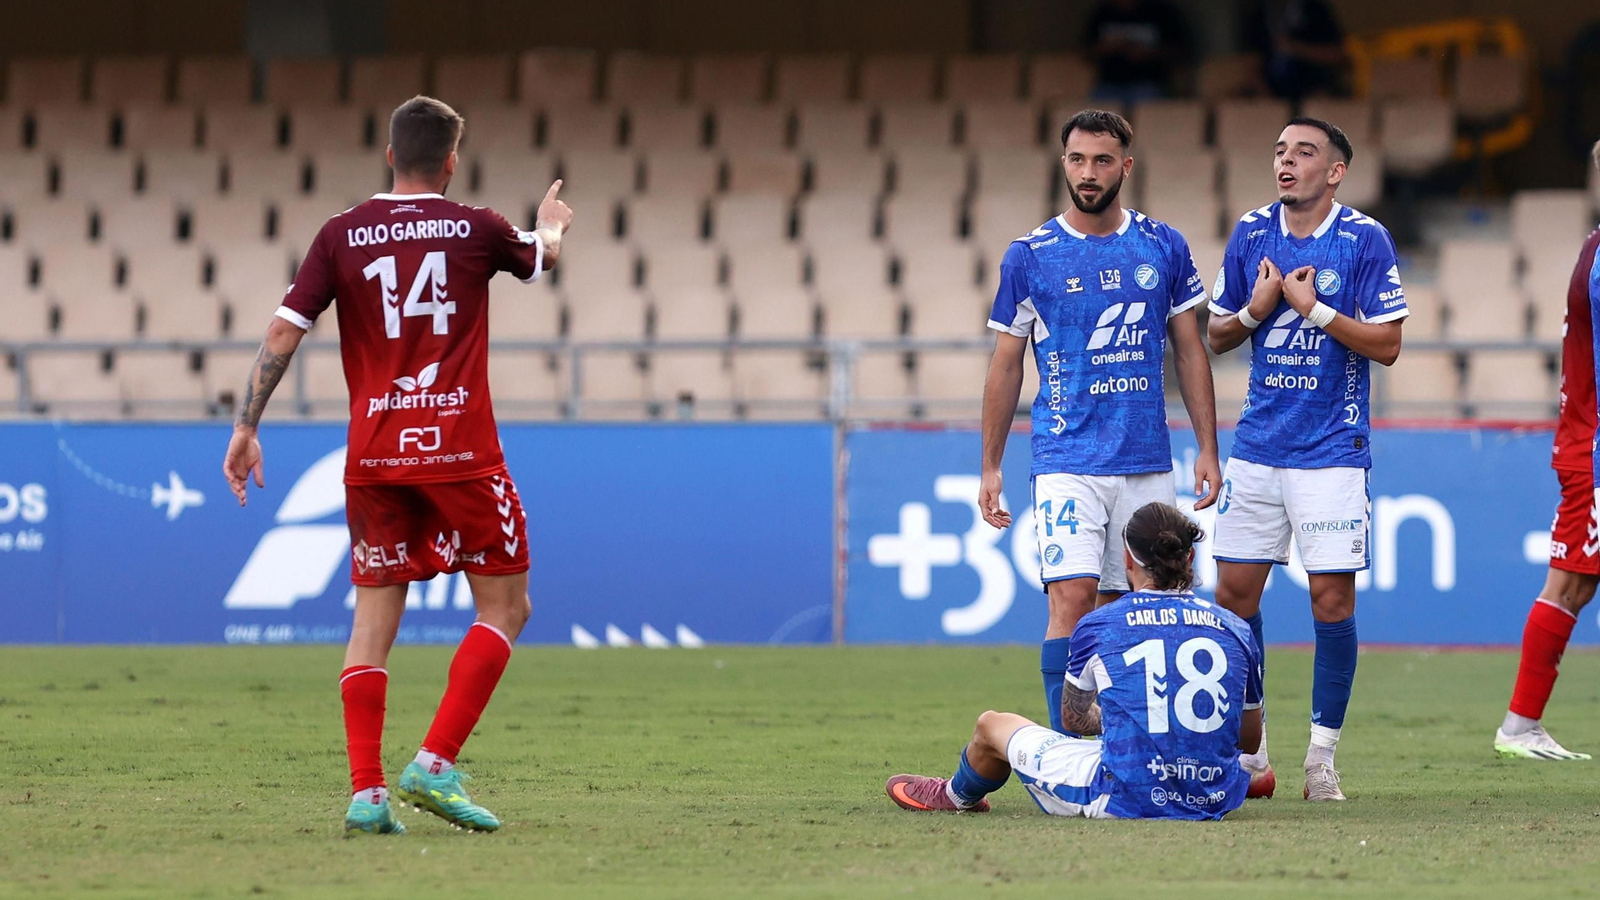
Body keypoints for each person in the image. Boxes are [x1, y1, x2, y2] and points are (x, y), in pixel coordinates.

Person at [221, 95, 575, 834]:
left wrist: (246, 426)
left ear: (389, 155)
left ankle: (367, 793)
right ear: (450, 162)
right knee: (507, 608)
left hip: (374, 454)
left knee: (372, 622)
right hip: (460, 452)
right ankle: (435, 764)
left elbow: (283, 335)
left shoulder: (339, 235)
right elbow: (539, 257)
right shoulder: (475, 227)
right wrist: (550, 227)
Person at [979, 109, 1222, 738]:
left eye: (1103, 160)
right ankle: (1064, 746)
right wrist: (990, 466)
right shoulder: (1030, 256)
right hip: (1065, 458)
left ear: (1126, 166)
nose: (1089, 173)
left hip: (1144, 460)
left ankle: (1122, 740)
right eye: (1078, 160)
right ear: (1063, 163)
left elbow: (1190, 350)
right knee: (1073, 596)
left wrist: (1206, 447)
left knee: (1131, 607)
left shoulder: (1163, 246)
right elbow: (1006, 366)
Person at [1206, 117, 1407, 801]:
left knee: (1330, 599)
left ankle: (1321, 757)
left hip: (1331, 452)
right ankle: (1251, 750)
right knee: (1234, 600)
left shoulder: (1365, 239)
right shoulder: (1250, 232)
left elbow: (1386, 343)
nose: (1287, 162)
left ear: (1336, 171)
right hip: (1259, 446)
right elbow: (1215, 334)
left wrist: (1314, 310)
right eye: (1281, 151)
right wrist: (1259, 310)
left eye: (1305, 153)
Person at [885, 502, 1261, 820]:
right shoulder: (1236, 628)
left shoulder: (1100, 623)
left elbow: (1073, 718)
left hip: (1126, 795)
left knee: (991, 726)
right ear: (1190, 556)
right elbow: (1248, 737)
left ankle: (955, 795)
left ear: (1128, 559)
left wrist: (1132, 716)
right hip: (1214, 795)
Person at [1491, 141, 1600, 762]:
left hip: (1584, 442)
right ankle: (1518, 726)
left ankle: (1521, 725)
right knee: (1566, 585)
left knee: (1572, 587)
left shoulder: (1593, 247)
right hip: (1593, 449)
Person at [1082, 0, 1192, 105]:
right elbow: (1086, 51)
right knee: (1094, 116)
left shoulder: (1161, 11)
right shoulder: (1102, 12)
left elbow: (1178, 51)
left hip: (1148, 85)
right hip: (1108, 85)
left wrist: (1148, 53)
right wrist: (1108, 48)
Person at [1242, 0, 1349, 101]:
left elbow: (1336, 55)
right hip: (1271, 97)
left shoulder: (1316, 11)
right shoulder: (1258, 15)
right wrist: (1266, 97)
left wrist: (1295, 48)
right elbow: (1250, 63)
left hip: (1315, 94)